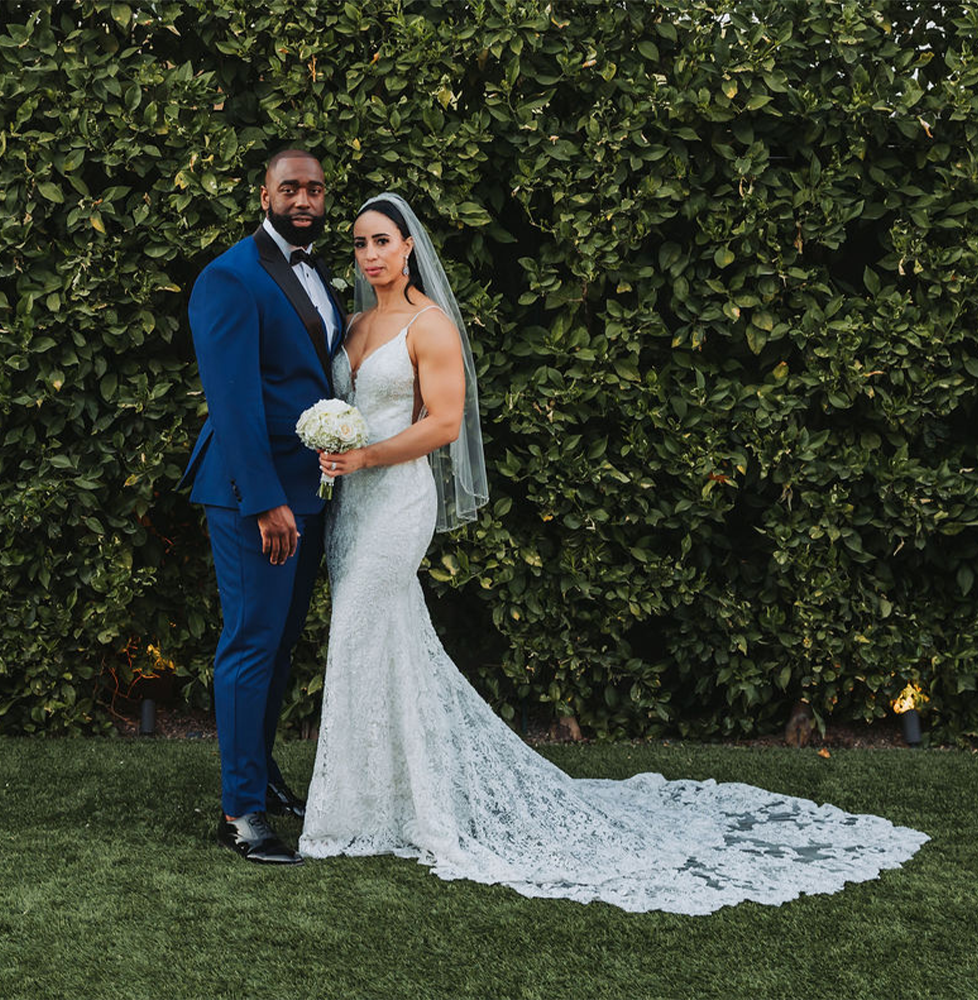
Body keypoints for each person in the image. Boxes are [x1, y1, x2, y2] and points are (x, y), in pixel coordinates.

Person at [297, 192, 928, 913]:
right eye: (359, 244)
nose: (369, 254)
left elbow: (443, 423)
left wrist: (369, 453)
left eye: (382, 240)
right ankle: (384, 801)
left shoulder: (429, 325)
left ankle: (367, 810)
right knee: (378, 639)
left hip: (397, 499)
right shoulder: (350, 325)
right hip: (352, 505)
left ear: (409, 247)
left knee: (361, 629)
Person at [182, 149, 345, 866]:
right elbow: (235, 400)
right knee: (250, 643)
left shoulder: (319, 276)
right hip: (256, 496)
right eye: (290, 187)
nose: (303, 198)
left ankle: (263, 776)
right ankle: (240, 811)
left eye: (313, 188)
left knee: (279, 645)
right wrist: (266, 500)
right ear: (264, 195)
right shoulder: (229, 276)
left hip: (307, 490)